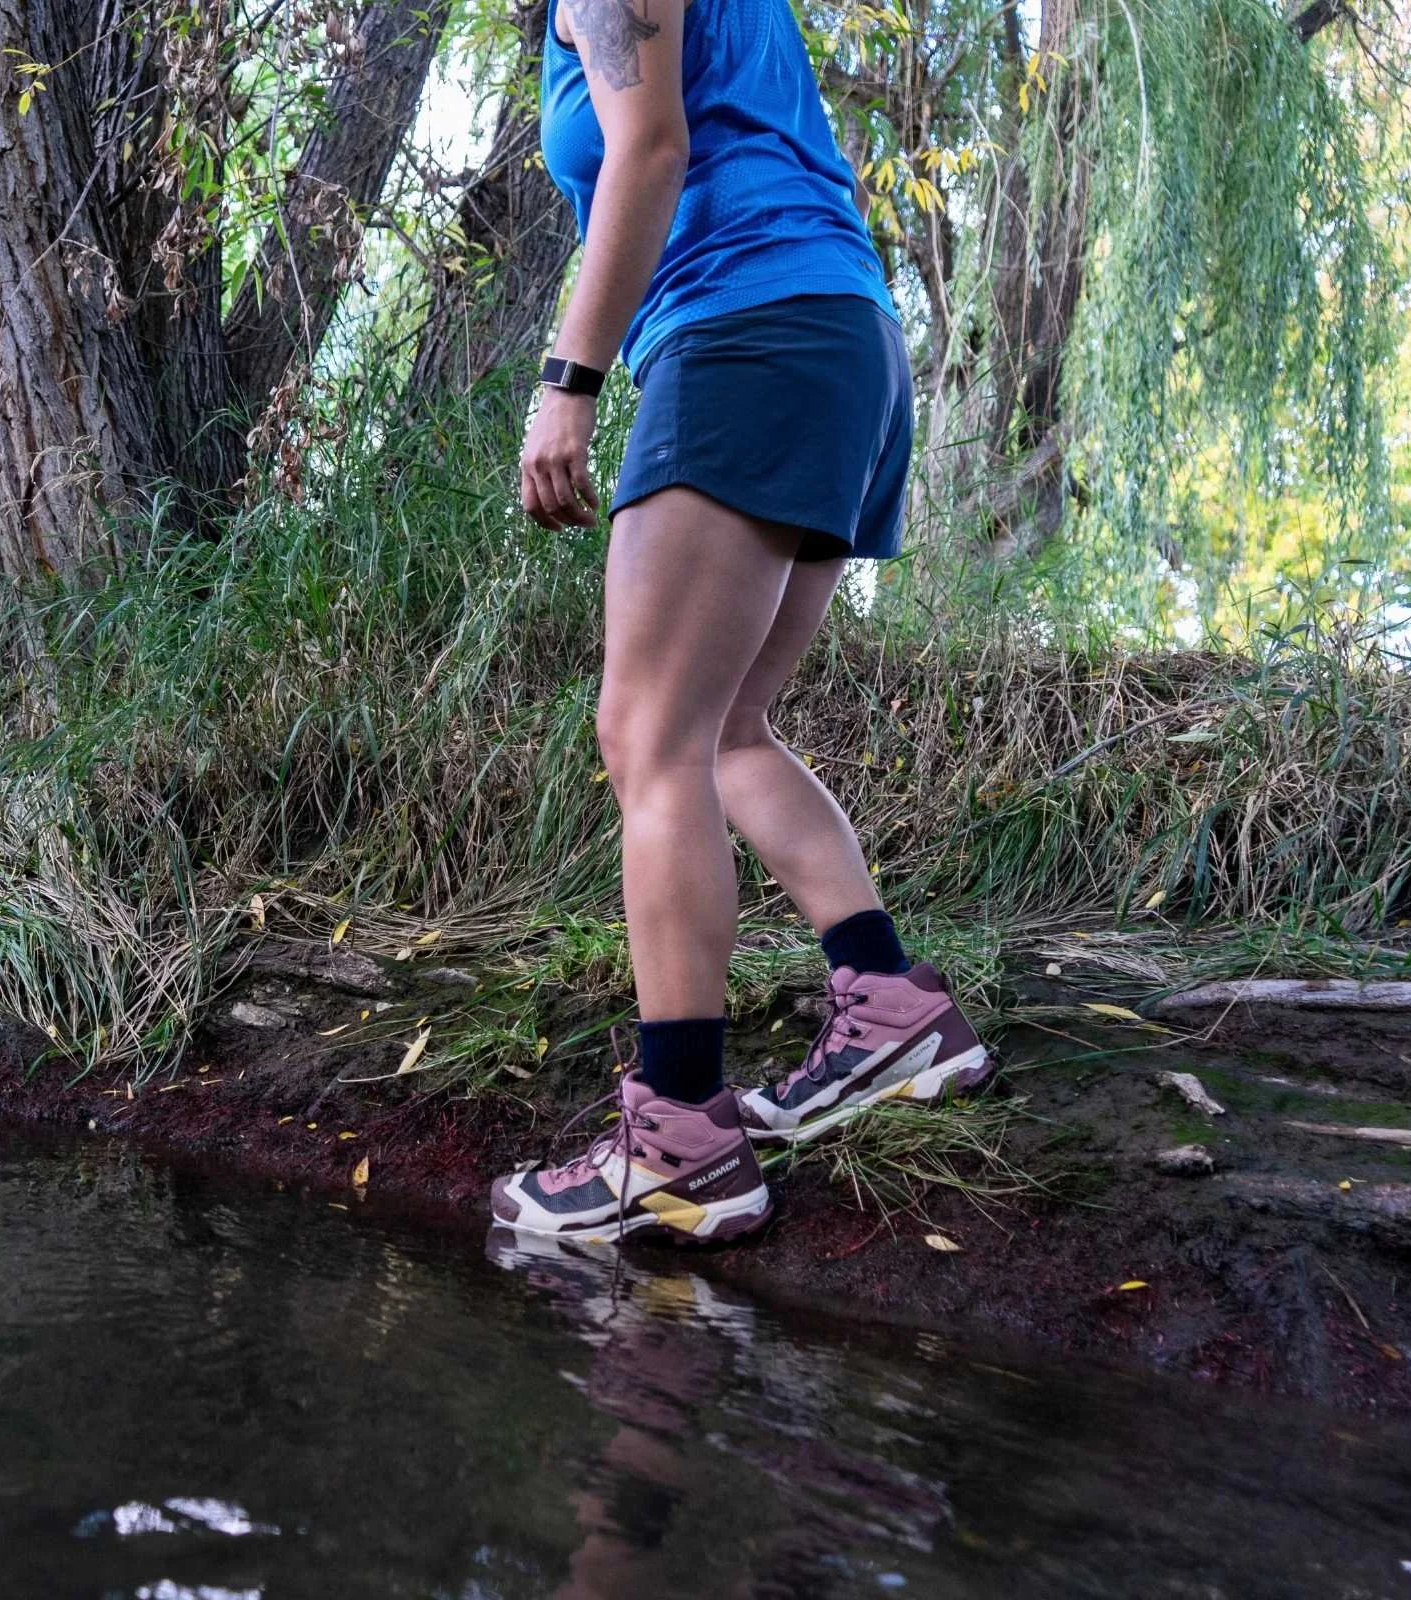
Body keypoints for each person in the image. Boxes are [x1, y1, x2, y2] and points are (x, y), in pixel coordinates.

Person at [487, 0, 993, 1243]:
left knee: (647, 737)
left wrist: (568, 382)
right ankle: (889, 1006)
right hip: (840, 336)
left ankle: (680, 1138)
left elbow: (651, 152)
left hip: (746, 334)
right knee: (723, 731)